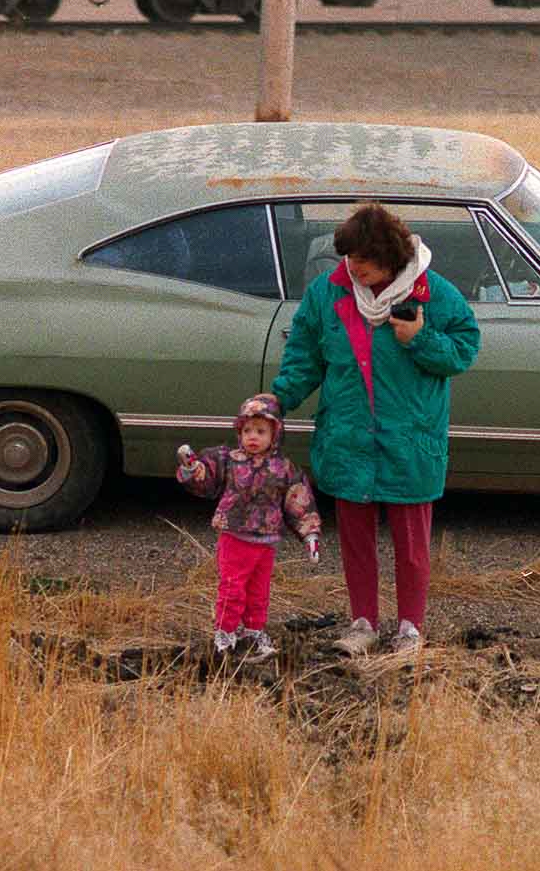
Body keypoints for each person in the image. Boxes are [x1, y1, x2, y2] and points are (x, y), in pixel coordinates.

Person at [270, 202, 480, 656]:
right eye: (348, 258)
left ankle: (410, 629)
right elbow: (305, 355)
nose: (353, 268)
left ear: (389, 255)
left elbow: (464, 351)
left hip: (410, 440)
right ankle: (362, 622)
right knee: (356, 539)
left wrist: (420, 340)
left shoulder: (433, 294)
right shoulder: (329, 293)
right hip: (348, 437)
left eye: (363, 259)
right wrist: (278, 400)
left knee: (411, 544)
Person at [176, 393, 322, 663]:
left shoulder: (284, 469)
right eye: (247, 430)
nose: (253, 436)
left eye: (261, 431)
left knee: (259, 591)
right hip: (235, 536)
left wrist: (310, 534)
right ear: (239, 432)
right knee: (232, 587)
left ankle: (254, 631)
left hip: (266, 540)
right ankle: (225, 632)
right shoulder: (229, 460)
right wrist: (193, 469)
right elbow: (206, 478)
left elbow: (299, 501)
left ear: (275, 434)